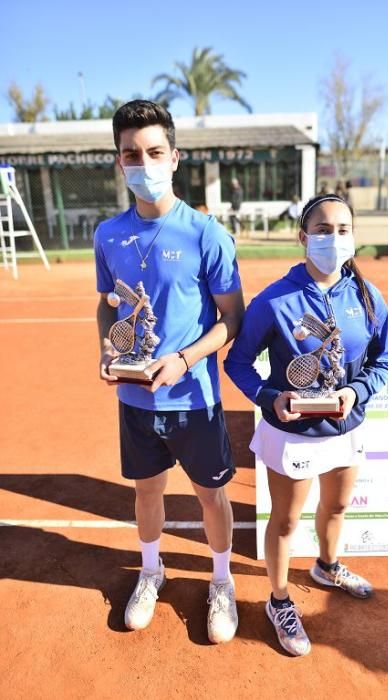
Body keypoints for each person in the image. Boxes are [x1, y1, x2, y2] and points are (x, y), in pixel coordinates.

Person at [94, 100, 245, 643]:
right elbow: (107, 304)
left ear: (175, 156)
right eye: (132, 154)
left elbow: (233, 319)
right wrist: (106, 350)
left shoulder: (207, 234)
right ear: (119, 162)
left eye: (155, 151)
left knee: (211, 495)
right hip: (136, 402)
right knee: (146, 492)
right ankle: (151, 570)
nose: (145, 162)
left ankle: (222, 581)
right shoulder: (107, 234)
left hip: (195, 400)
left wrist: (183, 358)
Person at [224, 193, 388, 656]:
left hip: (346, 426)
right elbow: (237, 363)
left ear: (354, 237)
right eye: (322, 230)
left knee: (336, 508)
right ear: (303, 237)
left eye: (343, 230)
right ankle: (278, 599)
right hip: (292, 432)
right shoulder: (274, 300)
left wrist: (354, 392)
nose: (333, 238)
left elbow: (384, 361)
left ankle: (326, 565)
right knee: (285, 522)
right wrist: (268, 397)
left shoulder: (367, 295)